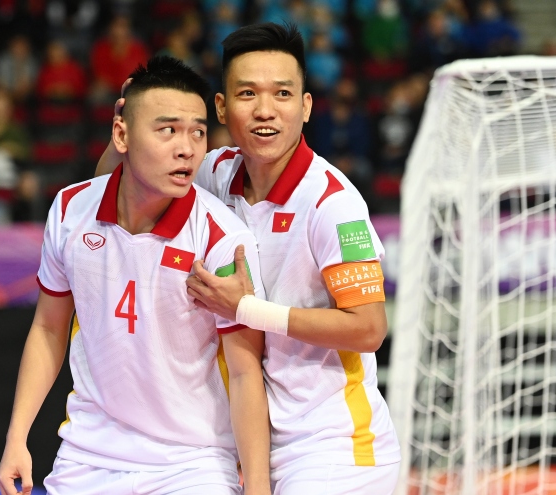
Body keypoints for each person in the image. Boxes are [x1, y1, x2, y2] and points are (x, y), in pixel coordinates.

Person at [98, 23, 400, 494]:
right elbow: (118, 181)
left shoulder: (332, 203)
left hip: (333, 446)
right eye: (247, 93)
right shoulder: (215, 171)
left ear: (305, 107)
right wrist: (129, 121)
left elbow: (369, 329)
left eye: (282, 94)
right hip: (246, 439)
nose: (265, 110)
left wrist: (247, 310)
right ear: (221, 107)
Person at [0, 56, 270, 495]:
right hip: (87, 456)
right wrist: (16, 439)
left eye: (197, 132)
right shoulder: (70, 210)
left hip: (192, 464)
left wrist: (258, 489)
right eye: (168, 130)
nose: (187, 149)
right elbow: (48, 329)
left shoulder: (223, 238)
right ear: (122, 134)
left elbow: (244, 373)